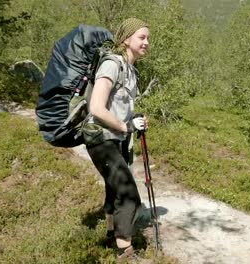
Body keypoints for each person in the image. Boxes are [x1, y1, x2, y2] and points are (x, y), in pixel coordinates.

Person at [87, 18, 150, 261]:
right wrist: (126, 125)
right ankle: (125, 251)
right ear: (126, 39)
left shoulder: (131, 70)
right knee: (128, 193)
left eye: (147, 38)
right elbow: (96, 108)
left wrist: (134, 120)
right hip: (100, 138)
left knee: (115, 189)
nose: (146, 42)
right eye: (141, 37)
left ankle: (111, 233)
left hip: (115, 138)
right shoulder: (112, 65)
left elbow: (118, 107)